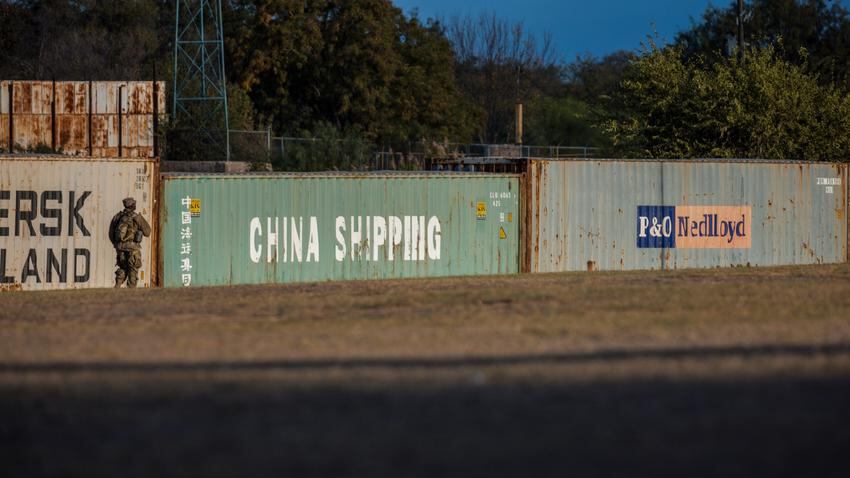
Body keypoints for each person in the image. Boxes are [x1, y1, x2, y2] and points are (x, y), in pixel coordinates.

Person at [109, 197, 152, 288]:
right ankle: (131, 291)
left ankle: (117, 286)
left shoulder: (117, 217)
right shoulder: (136, 217)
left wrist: (117, 245)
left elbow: (111, 234)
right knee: (133, 269)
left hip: (120, 247)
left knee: (123, 267)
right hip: (133, 248)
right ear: (133, 206)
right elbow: (147, 232)